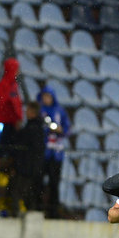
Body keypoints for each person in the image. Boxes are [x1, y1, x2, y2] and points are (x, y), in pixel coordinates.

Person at [38, 86, 70, 218]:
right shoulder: (40, 111)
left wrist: (60, 130)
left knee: (54, 182)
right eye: (45, 96)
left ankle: (53, 210)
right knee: (39, 180)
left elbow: (67, 129)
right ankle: (39, 207)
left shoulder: (59, 111)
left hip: (56, 153)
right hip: (43, 152)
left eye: (49, 96)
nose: (46, 99)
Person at [9, 101, 46, 216]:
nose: (26, 112)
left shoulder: (30, 129)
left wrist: (16, 165)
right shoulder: (39, 128)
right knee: (29, 193)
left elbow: (21, 147)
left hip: (25, 168)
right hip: (34, 168)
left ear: (33, 112)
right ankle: (31, 215)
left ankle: (18, 214)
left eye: (28, 110)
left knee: (16, 191)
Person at [0, 57, 22, 183]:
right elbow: (2, 104)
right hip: (3, 123)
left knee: (12, 153)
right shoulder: (2, 85)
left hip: (12, 124)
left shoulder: (14, 86)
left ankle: (8, 182)